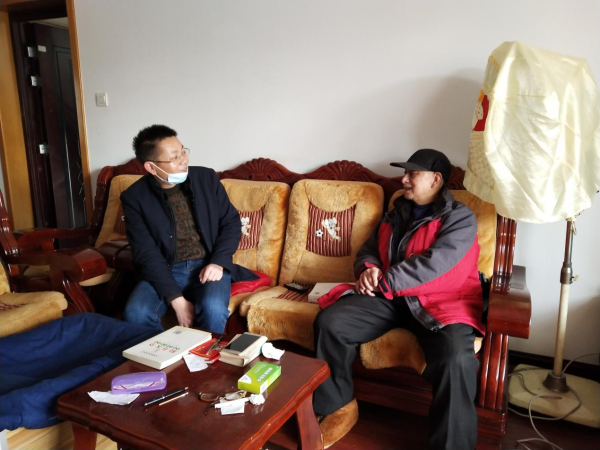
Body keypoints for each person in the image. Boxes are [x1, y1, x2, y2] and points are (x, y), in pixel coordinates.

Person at [313, 149, 484, 450]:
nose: (404, 179)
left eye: (412, 174)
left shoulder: (460, 217)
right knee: (332, 322)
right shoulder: (395, 213)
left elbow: (441, 267)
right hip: (391, 299)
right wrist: (368, 269)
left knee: (456, 356)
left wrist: (385, 281)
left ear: (435, 179)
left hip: (440, 303)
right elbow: (368, 250)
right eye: (405, 173)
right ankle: (336, 407)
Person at [120, 124, 257, 333]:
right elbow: (145, 252)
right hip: (165, 268)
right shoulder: (134, 198)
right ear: (151, 167)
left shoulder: (206, 178)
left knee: (212, 309)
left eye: (183, 151)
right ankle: (165, 353)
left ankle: (205, 355)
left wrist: (218, 262)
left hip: (208, 264)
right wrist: (177, 300)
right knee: (136, 313)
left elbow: (230, 222)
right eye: (174, 158)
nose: (184, 160)